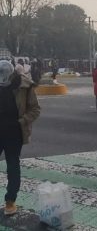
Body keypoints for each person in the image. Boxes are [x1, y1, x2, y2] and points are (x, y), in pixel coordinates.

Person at [0, 60, 40, 215]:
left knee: (13, 166)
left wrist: (22, 121)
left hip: (14, 133)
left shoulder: (25, 86)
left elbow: (35, 109)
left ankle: (10, 201)